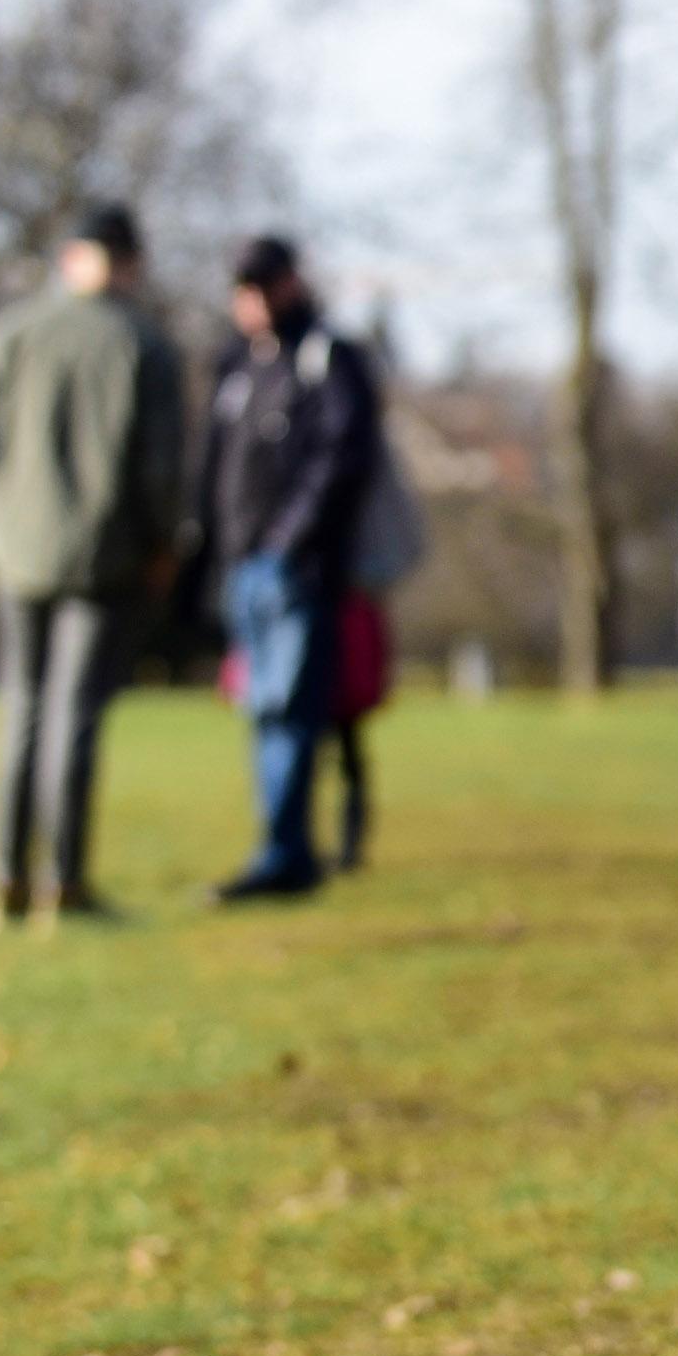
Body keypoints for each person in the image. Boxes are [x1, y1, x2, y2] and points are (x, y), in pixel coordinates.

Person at [0, 202, 190, 929]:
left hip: (14, 550)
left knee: (20, 709)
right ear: (127, 263)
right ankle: (63, 882)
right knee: (74, 715)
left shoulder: (9, 333)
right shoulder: (142, 346)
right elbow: (159, 470)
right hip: (105, 554)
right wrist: (165, 545)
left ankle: (5, 877)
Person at [199, 236, 382, 902]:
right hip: (243, 567)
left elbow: (343, 457)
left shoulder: (325, 359)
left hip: (297, 571)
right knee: (264, 711)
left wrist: (288, 541)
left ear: (290, 284)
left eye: (262, 286)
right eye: (242, 289)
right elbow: (216, 467)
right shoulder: (239, 364)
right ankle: (286, 847)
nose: (250, 301)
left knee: (294, 713)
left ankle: (285, 853)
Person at [328, 581, 389, 870]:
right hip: (341, 691)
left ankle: (350, 847)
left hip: (344, 694)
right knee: (345, 767)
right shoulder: (365, 596)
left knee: (348, 767)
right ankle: (342, 847)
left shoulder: (360, 595)